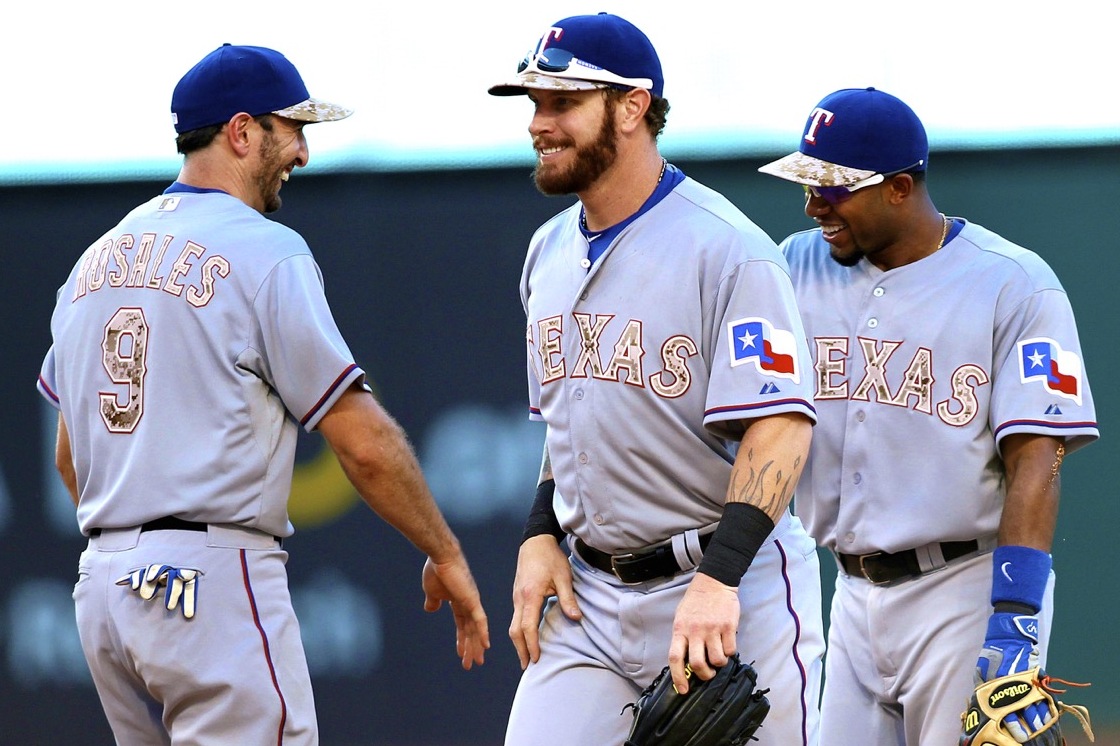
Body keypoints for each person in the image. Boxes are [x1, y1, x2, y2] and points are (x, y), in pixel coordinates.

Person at [36, 43, 489, 744]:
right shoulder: (263, 249)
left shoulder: (94, 262)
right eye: (294, 128)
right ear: (242, 131)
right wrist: (447, 552)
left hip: (104, 589)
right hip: (205, 583)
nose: (303, 152)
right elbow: (364, 445)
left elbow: (70, 456)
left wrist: (131, 543)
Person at [488, 14, 824, 745]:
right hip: (590, 602)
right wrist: (539, 532)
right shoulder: (546, 253)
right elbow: (571, 421)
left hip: (728, 585)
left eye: (561, 102)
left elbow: (782, 429)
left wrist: (722, 578)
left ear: (632, 107)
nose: (539, 124)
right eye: (534, 104)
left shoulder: (729, 250)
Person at [758, 87, 1099, 745]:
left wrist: (1016, 617)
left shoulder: (1014, 283)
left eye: (834, 189)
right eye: (809, 186)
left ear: (899, 188)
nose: (813, 205)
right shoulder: (793, 265)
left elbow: (1037, 460)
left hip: (964, 593)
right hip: (851, 595)